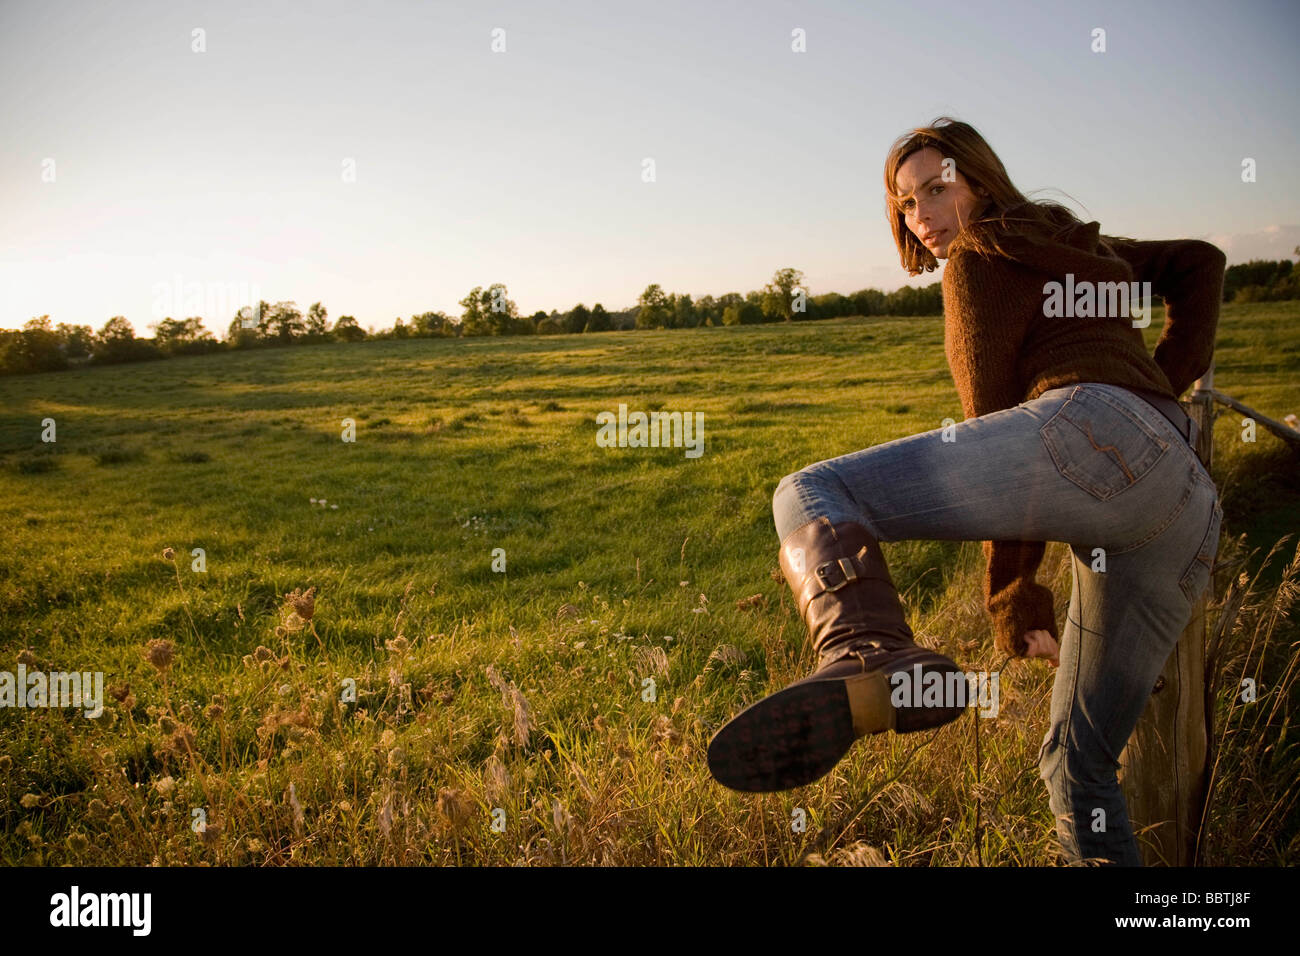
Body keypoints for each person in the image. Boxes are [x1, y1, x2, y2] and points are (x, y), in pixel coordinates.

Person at [706, 116, 1226, 867]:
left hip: (1090, 441)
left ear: (978, 182)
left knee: (809, 492)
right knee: (1076, 766)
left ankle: (864, 649)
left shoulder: (979, 258)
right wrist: (1156, 395)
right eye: (907, 203)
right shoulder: (1078, 241)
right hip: (1185, 505)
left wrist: (1011, 596)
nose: (923, 216)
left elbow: (993, 423)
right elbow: (1202, 262)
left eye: (938, 188)